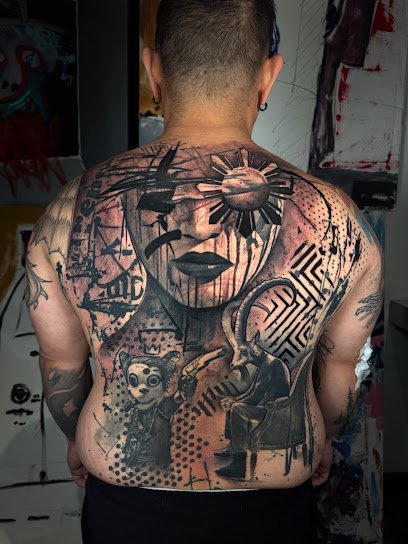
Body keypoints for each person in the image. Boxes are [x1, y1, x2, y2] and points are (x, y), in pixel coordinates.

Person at [25, 1, 384, 543]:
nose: (198, 226)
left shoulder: (69, 210)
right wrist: (322, 435)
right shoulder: (342, 222)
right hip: (273, 506)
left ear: (154, 72)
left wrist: (80, 435)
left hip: (126, 506)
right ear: (268, 76)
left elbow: (61, 364)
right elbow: (339, 375)